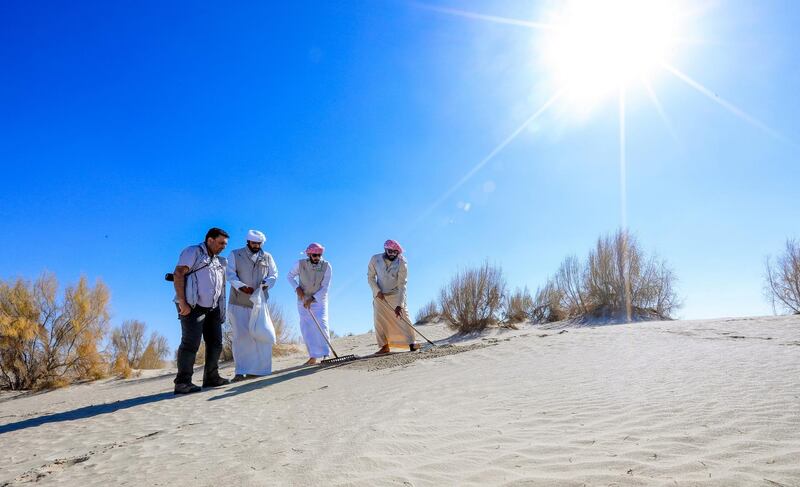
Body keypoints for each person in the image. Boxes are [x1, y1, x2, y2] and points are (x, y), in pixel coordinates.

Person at [172, 227, 231, 394]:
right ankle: (182, 383)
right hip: (192, 306)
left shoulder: (219, 261)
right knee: (191, 344)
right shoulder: (193, 252)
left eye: (225, 244)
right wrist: (182, 302)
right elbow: (178, 274)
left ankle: (211, 377)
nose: (223, 247)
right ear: (210, 240)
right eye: (220, 243)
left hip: (212, 309)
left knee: (216, 343)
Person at [225, 229, 278, 382]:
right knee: (241, 336)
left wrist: (267, 284)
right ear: (248, 241)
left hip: (260, 302)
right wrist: (241, 286)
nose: (256, 245)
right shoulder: (235, 254)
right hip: (239, 301)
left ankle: (261, 370)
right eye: (254, 243)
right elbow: (230, 274)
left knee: (262, 334)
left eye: (259, 243)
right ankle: (240, 371)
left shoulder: (267, 257)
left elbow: (274, 274)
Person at [367, 239, 418, 354]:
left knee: (404, 316)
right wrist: (376, 290)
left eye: (395, 252)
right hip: (380, 296)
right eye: (390, 251)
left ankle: (412, 343)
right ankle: (384, 346)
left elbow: (402, 284)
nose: (392, 254)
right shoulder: (375, 259)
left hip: (396, 294)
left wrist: (400, 305)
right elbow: (370, 277)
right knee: (379, 320)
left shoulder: (402, 262)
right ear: (385, 249)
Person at [286, 243, 332, 365]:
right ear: (309, 254)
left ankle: (326, 355)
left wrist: (312, 299)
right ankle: (313, 357)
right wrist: (297, 288)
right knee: (307, 328)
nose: (317, 257)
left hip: (319, 300)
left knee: (322, 324)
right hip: (302, 299)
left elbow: (325, 287)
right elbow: (289, 276)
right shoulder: (299, 264)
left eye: (319, 255)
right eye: (314, 255)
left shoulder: (327, 266)